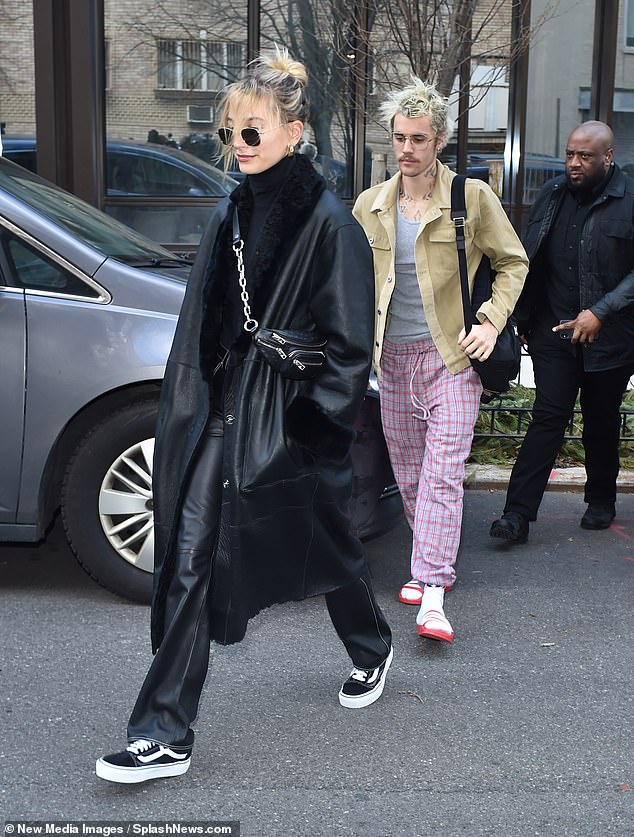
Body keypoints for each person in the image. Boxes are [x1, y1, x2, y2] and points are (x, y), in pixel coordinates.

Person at [96, 49, 393, 784]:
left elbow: (353, 348)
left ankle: (371, 645)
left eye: (253, 131)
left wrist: (307, 434)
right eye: (231, 132)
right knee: (191, 558)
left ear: (296, 131)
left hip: (285, 422)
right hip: (222, 417)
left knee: (329, 547)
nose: (238, 145)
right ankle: (165, 730)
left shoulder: (330, 224)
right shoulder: (231, 210)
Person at [353, 78, 527, 642]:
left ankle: (430, 589)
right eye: (400, 138)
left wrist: (490, 321)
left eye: (419, 139)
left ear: (440, 140)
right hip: (392, 362)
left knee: (443, 475)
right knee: (408, 472)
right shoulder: (370, 206)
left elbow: (513, 262)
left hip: (451, 359)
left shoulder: (471, 198)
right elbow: (353, 282)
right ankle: (434, 562)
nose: (407, 149)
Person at [490, 121, 634, 543]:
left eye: (585, 156)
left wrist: (601, 312)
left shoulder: (629, 201)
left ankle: (601, 499)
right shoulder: (552, 195)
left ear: (607, 157)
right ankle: (516, 515)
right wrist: (523, 320)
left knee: (601, 420)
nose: (574, 163)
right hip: (553, 331)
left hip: (610, 337)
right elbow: (527, 257)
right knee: (547, 419)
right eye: (571, 153)